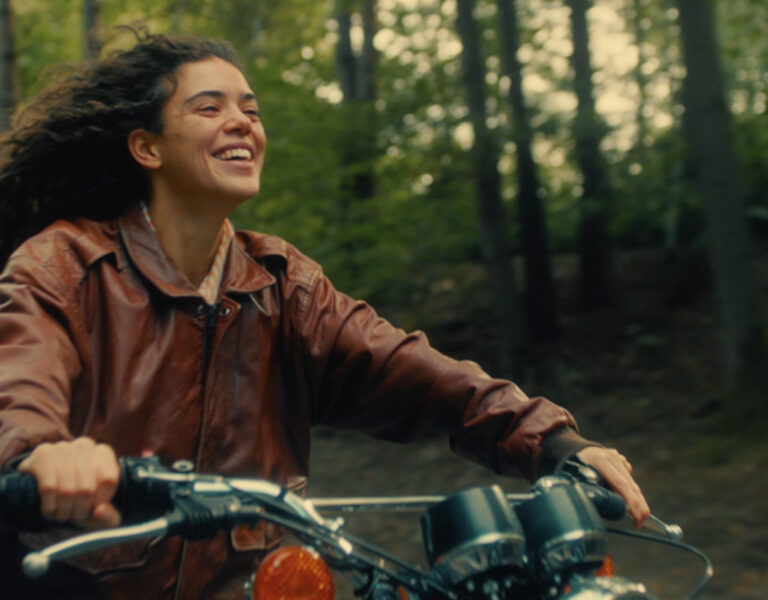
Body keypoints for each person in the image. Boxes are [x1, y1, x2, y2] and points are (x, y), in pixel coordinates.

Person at [0, 32, 648, 599]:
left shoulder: (282, 287)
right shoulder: (66, 265)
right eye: (210, 107)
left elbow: (416, 373)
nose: (243, 123)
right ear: (147, 147)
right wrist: (42, 453)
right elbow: (20, 383)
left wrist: (558, 443)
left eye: (251, 112)